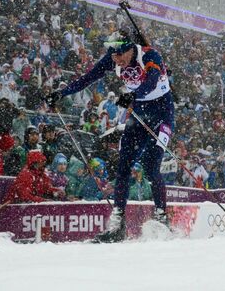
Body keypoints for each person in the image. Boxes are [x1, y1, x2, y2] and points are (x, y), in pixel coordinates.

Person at [49, 31, 173, 242]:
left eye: (120, 56)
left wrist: (134, 94)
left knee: (152, 167)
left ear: (130, 49)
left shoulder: (151, 56)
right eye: (113, 56)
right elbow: (87, 78)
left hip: (162, 114)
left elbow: (151, 81)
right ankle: (118, 221)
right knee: (123, 166)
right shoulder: (112, 58)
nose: (117, 61)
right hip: (139, 112)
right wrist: (61, 93)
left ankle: (162, 217)